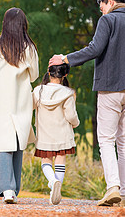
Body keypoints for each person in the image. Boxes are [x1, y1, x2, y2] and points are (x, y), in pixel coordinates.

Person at [49, 0, 125, 207]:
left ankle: (113, 188)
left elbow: (95, 49)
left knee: (107, 140)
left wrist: (65, 58)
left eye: (102, 5)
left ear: (110, 2)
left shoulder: (108, 20)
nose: (101, 10)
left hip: (110, 89)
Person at [0, 7, 39, 204]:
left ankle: (8, 189)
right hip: (20, 99)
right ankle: (12, 189)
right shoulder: (28, 48)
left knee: (3, 143)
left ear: (5, 24)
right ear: (23, 25)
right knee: (17, 143)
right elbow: (35, 74)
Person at [32, 63, 79, 205]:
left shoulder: (38, 91)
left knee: (46, 161)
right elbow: (71, 116)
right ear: (65, 75)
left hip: (45, 133)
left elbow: (30, 106)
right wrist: (76, 123)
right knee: (60, 160)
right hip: (62, 133)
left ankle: (52, 182)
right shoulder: (68, 93)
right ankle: (55, 187)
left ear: (49, 72)